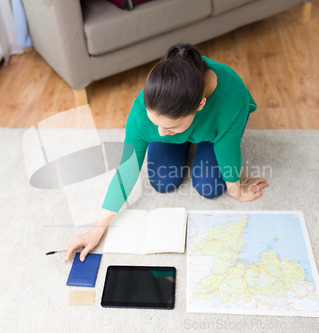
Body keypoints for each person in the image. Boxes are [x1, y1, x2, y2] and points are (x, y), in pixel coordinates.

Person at [63, 43, 268, 262]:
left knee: (210, 187)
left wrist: (236, 190)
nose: (160, 133)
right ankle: (182, 135)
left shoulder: (232, 97)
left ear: (200, 105)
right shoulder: (142, 112)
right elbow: (127, 170)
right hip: (183, 120)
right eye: (156, 124)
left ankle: (194, 136)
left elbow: (228, 148)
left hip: (216, 130)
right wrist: (96, 231)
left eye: (169, 128)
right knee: (162, 181)